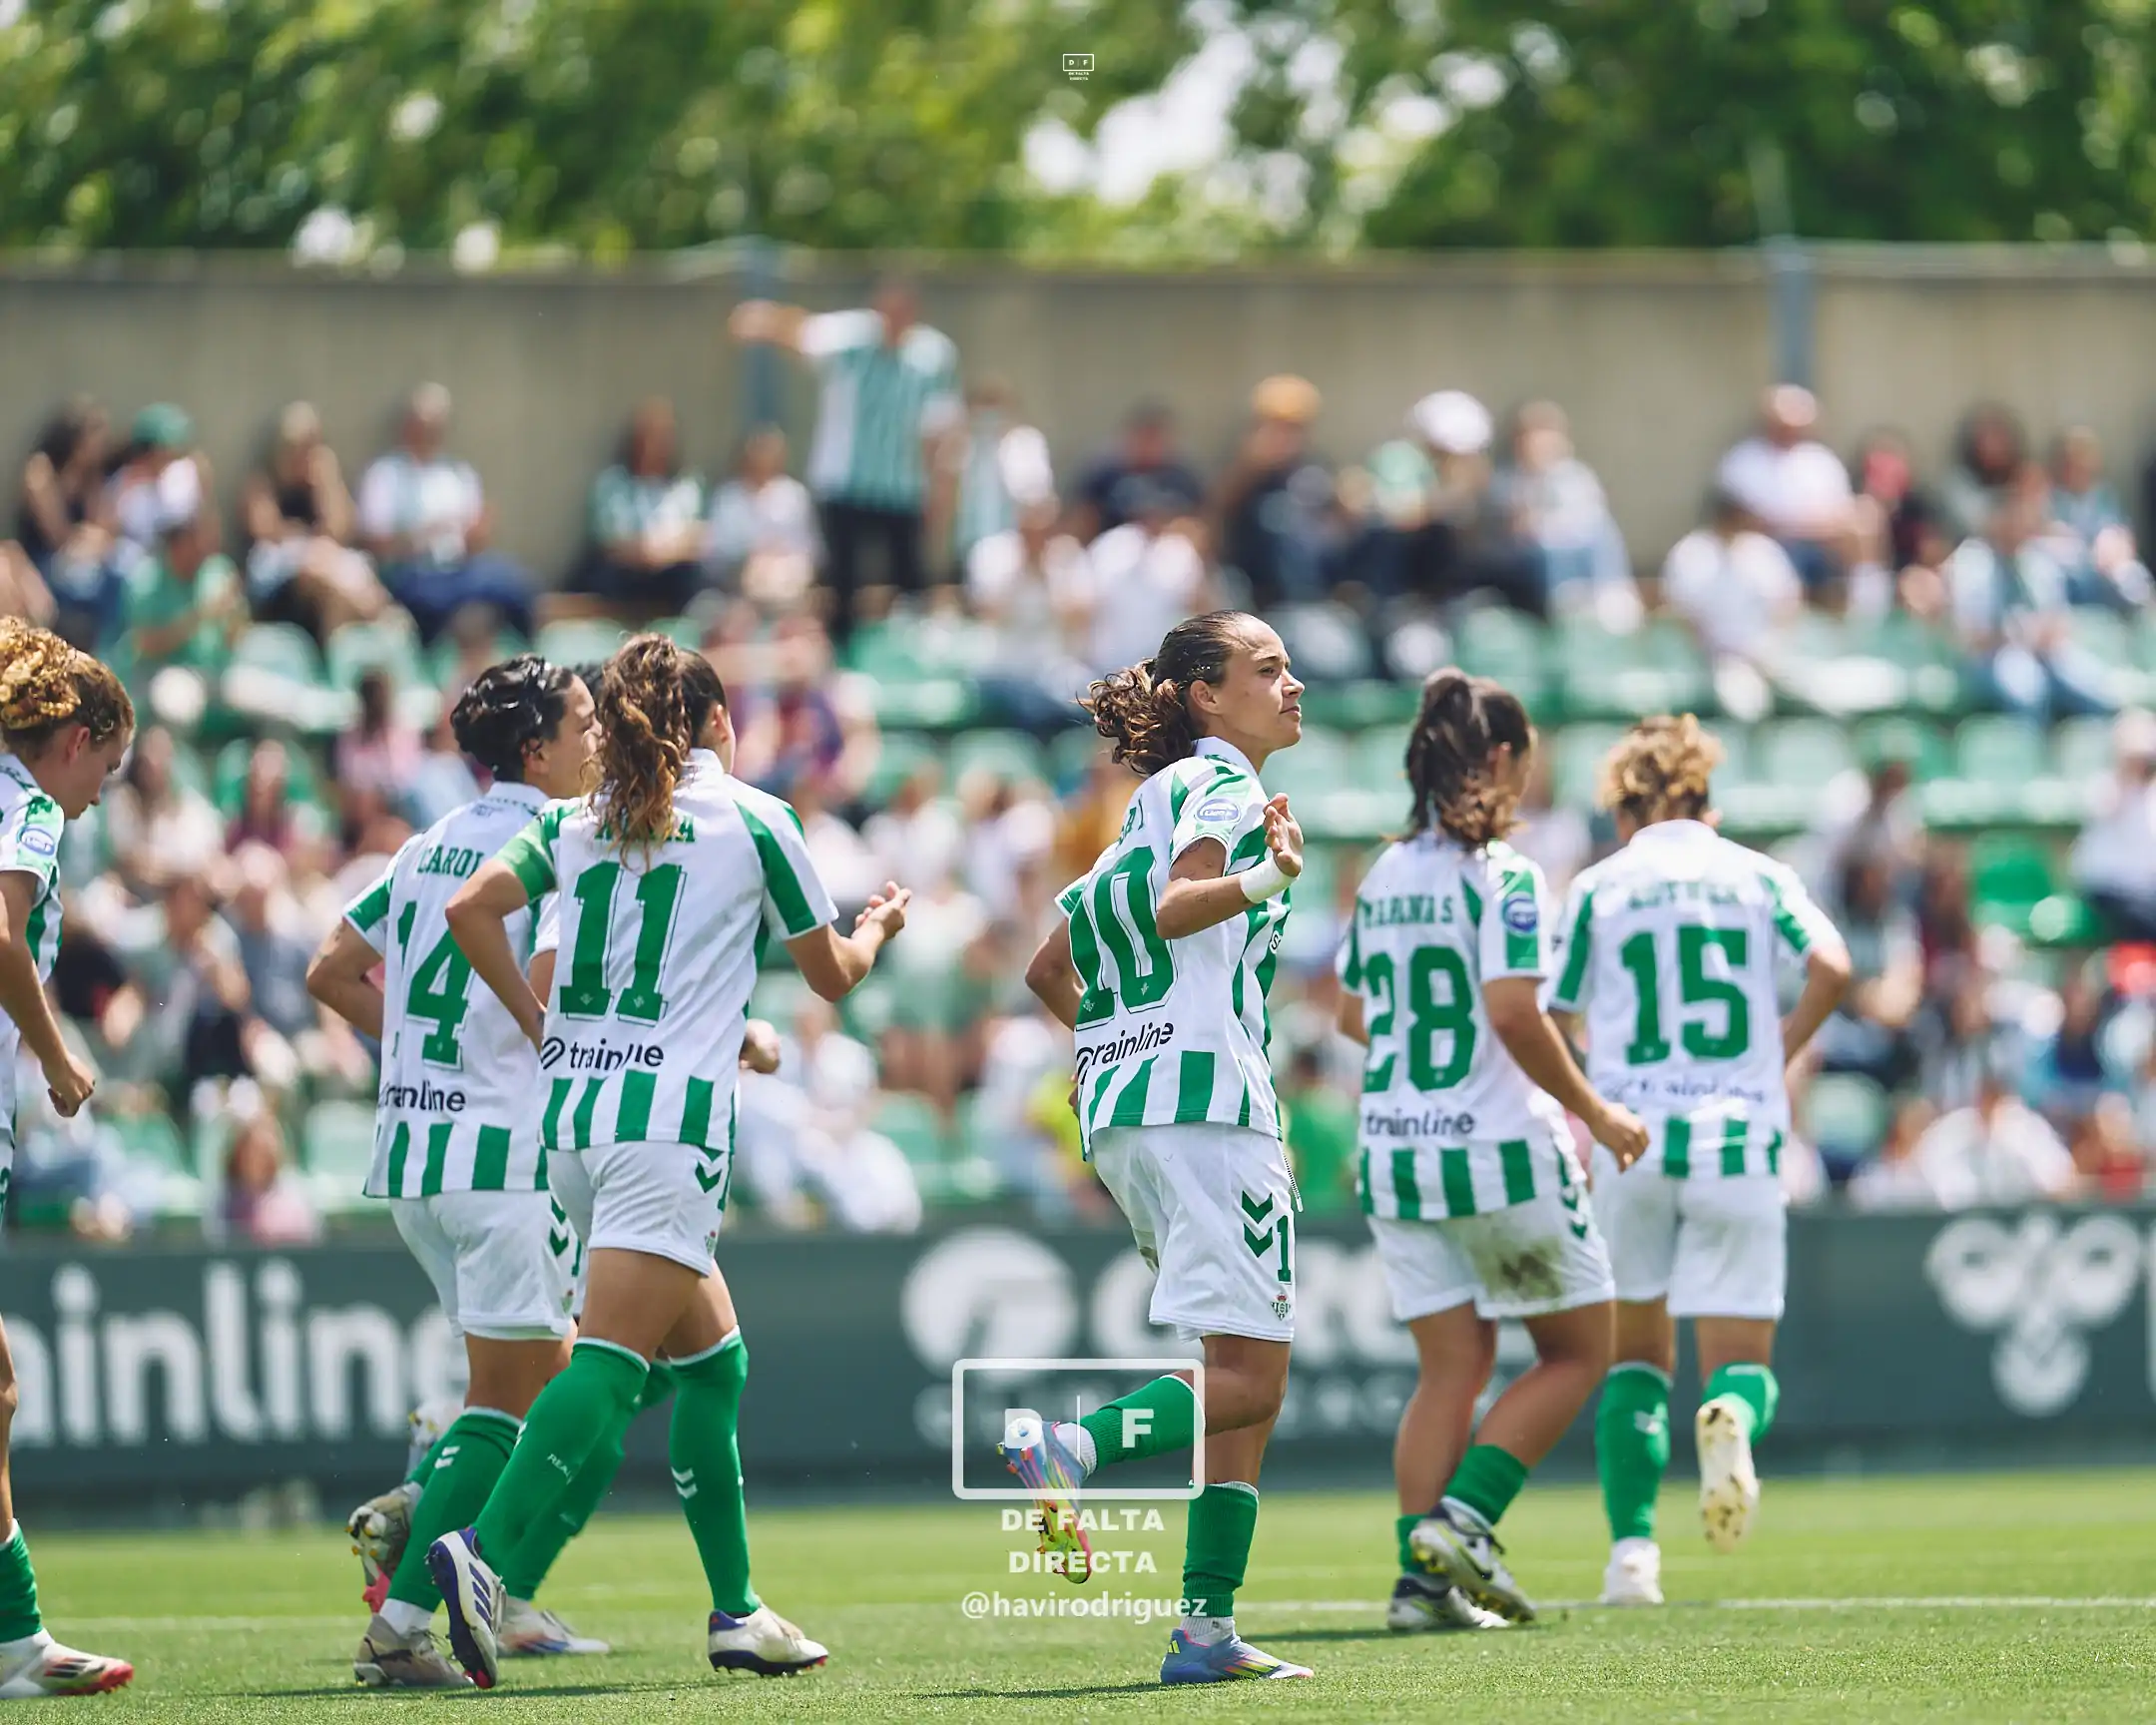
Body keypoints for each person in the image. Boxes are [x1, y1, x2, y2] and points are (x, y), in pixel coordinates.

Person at [426, 634, 910, 1688]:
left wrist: (539, 1018)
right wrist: (876, 929)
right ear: (718, 724)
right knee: (606, 1362)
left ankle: (738, 1611)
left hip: (573, 1124)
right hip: (668, 1129)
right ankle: (484, 1559)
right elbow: (829, 978)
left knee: (713, 1363)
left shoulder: (574, 820)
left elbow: (472, 912)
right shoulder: (755, 817)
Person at [1010, 610, 1313, 1685]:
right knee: (1255, 1377)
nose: (1294, 684)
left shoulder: (1133, 818)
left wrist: (1119, 1050)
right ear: (1205, 696)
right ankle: (1073, 1448)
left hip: (1131, 1111)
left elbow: (1050, 970)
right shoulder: (1225, 788)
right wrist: (1270, 880)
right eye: (1267, 669)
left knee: (1231, 1363)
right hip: (1204, 1108)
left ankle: (1205, 1629)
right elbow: (1185, 904)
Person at [306, 655, 609, 1687]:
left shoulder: (427, 845)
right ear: (535, 749)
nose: (598, 738)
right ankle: (401, 1623)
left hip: (414, 1160)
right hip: (502, 1158)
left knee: (553, 1386)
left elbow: (328, 969)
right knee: (526, 1404)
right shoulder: (555, 845)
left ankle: (460, 1543)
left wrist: (419, 1053)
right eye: (582, 722)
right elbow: (554, 986)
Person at [1337, 671, 1647, 1631]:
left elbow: (1352, 1014)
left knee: (1450, 1367)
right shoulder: (1507, 876)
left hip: (1393, 1148)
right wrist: (1594, 1109)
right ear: (1502, 760)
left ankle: (1418, 1586)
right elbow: (1515, 1010)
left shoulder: (1385, 875)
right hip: (1495, 1150)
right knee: (1579, 1347)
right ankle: (1464, 1524)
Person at [1547, 716, 1850, 1608]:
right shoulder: (1759, 875)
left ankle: (1632, 1556)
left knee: (1635, 1356)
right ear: (1707, 796)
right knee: (1739, 1358)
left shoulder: (1600, 886)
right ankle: (1732, 1423)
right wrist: (1779, 1050)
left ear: (1621, 805)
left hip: (1633, 1138)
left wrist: (1599, 1089)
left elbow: (1553, 1007)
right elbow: (1831, 964)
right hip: (1738, 1135)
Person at [0, 618, 138, 1695]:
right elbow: (1, 935)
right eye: (110, 765)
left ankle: (16, 1640)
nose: (104, 791)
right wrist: (56, 1058)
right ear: (78, 737)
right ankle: (19, 1644)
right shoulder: (31, 808)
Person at [728, 279, 961, 641]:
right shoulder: (851, 339)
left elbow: (939, 428)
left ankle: (911, 654)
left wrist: (940, 488)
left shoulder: (932, 358)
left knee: (910, 580)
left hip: (901, 486)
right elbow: (802, 334)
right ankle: (841, 654)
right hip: (844, 484)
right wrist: (763, 320)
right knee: (841, 583)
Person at [355, 384, 535, 644]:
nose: (428, 434)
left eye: (435, 427)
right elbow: (374, 542)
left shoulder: (458, 475)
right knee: (431, 604)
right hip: (412, 572)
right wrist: (424, 535)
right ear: (407, 426)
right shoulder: (385, 475)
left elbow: (475, 544)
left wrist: (478, 532)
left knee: (517, 587)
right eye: (423, 425)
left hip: (462, 570)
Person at [241, 400, 391, 643]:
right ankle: (375, 616)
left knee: (342, 587)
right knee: (322, 570)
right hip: (278, 572)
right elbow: (267, 531)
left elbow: (339, 530)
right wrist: (310, 543)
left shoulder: (321, 483)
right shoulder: (263, 483)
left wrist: (327, 482)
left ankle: (340, 653)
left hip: (325, 562)